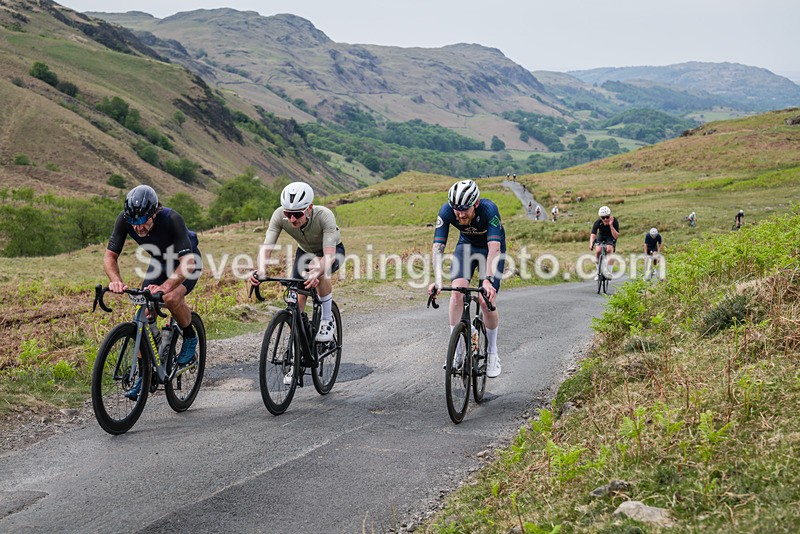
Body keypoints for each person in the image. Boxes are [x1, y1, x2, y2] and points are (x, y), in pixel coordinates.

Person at [105, 185, 202, 399]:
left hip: (186, 262)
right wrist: (116, 281)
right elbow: (110, 256)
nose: (138, 227)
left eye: (143, 221)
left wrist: (165, 287)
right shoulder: (125, 219)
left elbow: (188, 263)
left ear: (154, 213)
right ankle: (145, 373)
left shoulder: (171, 219)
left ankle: (189, 336)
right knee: (143, 312)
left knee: (170, 297)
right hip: (160, 263)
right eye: (134, 222)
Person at [250, 181, 345, 346]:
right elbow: (266, 248)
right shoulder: (279, 215)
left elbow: (328, 256)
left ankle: (327, 319)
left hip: (332, 251)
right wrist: (261, 271)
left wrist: (315, 273)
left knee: (317, 268)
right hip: (304, 253)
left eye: (297, 214)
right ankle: (298, 345)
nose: (292, 219)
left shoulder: (325, 215)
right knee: (296, 300)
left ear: (309, 208)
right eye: (288, 214)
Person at [428, 180, 505, 378]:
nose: (460, 215)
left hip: (490, 250)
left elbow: (494, 248)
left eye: (465, 210)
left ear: (476, 204)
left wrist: (487, 280)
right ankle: (458, 351)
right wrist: (437, 280)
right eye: (457, 210)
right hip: (467, 247)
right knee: (456, 294)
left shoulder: (489, 210)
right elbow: (438, 247)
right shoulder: (446, 211)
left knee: (485, 300)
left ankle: (492, 353)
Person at [590, 206, 620, 279]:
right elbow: (593, 234)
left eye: (607, 217)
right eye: (603, 217)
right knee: (598, 251)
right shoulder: (598, 222)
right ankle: (598, 271)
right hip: (601, 236)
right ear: (600, 217)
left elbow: (616, 236)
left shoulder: (614, 221)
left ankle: (609, 272)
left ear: (610, 215)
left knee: (609, 250)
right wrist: (591, 244)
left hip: (611, 236)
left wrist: (611, 226)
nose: (605, 219)